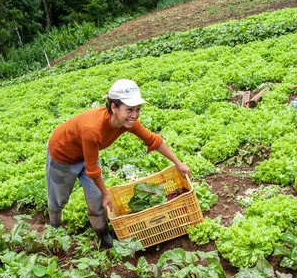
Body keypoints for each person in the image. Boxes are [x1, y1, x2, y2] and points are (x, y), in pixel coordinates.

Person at [46, 79, 191, 247]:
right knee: (59, 199)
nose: (134, 115)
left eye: (138, 110)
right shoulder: (93, 129)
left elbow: (154, 140)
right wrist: (107, 193)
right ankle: (54, 228)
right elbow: (92, 170)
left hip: (88, 153)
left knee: (97, 199)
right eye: (129, 109)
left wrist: (178, 163)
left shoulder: (127, 123)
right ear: (113, 107)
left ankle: (103, 236)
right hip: (63, 154)